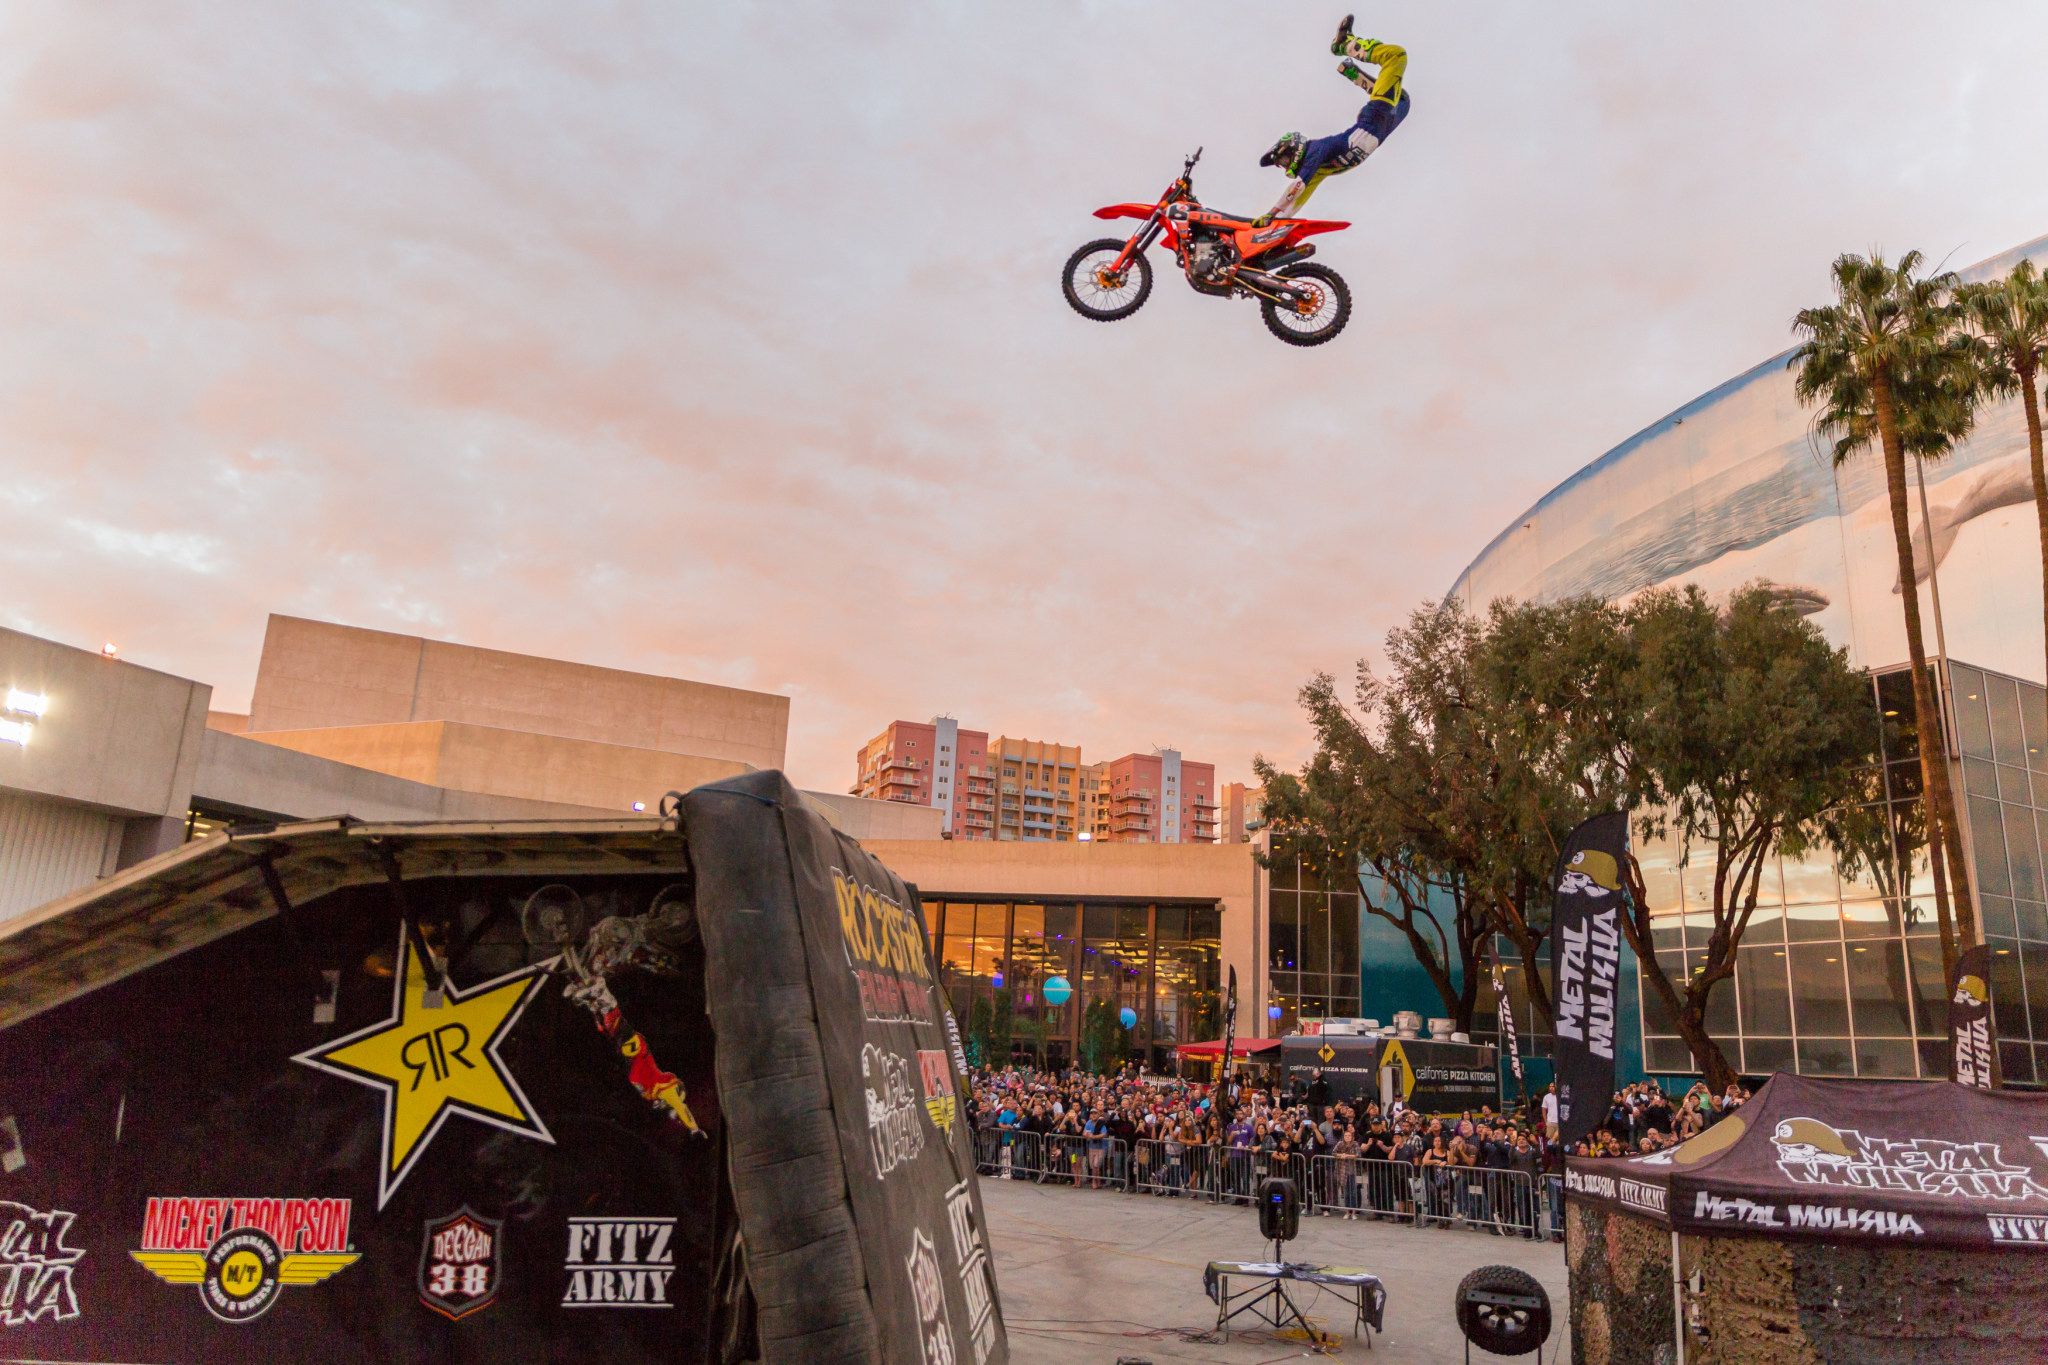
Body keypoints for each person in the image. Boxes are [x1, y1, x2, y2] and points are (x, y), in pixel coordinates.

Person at [1258, 17, 1410, 222]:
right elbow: (1301, 194)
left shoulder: (1314, 150)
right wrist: (1278, 223)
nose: (1285, 167)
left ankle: (1345, 43)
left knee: (1395, 55)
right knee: (1404, 100)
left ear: (1293, 148)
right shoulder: (1321, 169)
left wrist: (1271, 214)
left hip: (1374, 119)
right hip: (1380, 128)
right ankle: (1353, 74)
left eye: (1283, 160)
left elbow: (1298, 186)